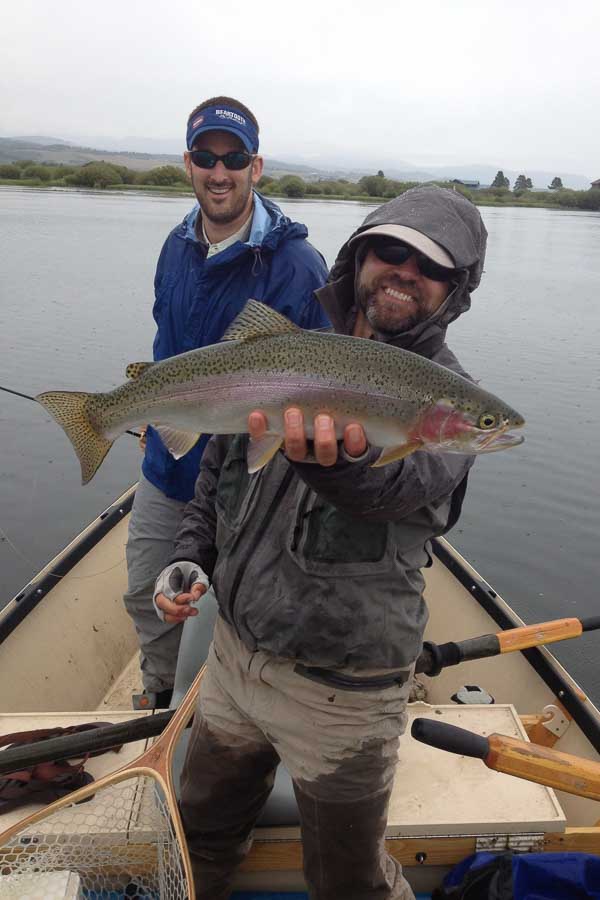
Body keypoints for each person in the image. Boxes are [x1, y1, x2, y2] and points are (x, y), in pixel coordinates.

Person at [154, 186, 488, 899]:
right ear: (358, 259)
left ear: (455, 289)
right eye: (388, 251)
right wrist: (189, 554)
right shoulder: (291, 348)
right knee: (199, 835)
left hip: (345, 692)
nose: (402, 271)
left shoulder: (451, 404)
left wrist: (334, 463)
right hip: (236, 662)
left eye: (427, 266)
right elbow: (216, 473)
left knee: (348, 882)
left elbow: (393, 491)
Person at [123, 96, 329, 707]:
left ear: (256, 166)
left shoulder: (296, 264)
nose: (220, 172)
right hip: (170, 459)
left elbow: (318, 376)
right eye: (206, 157)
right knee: (146, 590)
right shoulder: (175, 246)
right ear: (187, 164)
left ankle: (226, 715)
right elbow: (167, 345)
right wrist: (153, 411)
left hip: (252, 477)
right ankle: (159, 701)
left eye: (233, 157)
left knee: (242, 612)